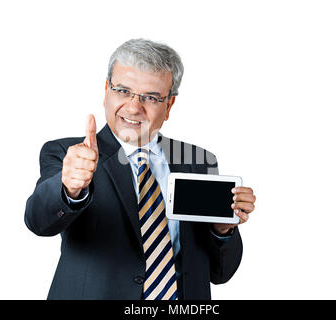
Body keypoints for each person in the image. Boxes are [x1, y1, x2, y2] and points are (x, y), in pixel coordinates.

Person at [24, 38, 256, 300]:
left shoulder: (198, 161)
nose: (134, 107)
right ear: (106, 91)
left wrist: (222, 229)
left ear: (168, 106)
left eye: (151, 97)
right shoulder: (71, 154)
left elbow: (220, 273)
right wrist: (68, 189)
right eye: (123, 91)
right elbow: (39, 222)